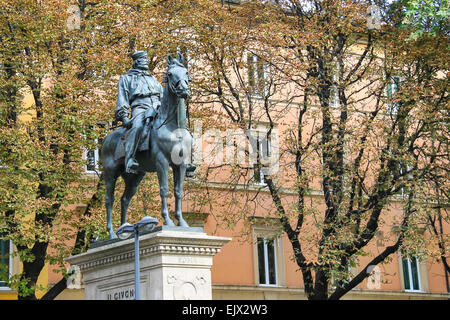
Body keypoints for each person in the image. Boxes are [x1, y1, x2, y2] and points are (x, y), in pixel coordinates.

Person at [115, 50, 163, 174]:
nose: (146, 61)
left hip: (158, 107)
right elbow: (122, 98)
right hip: (140, 108)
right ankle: (130, 158)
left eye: (146, 59)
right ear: (136, 62)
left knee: (177, 125)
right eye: (143, 59)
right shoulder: (126, 78)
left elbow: (163, 96)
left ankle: (183, 159)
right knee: (137, 127)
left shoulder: (153, 79)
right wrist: (124, 116)